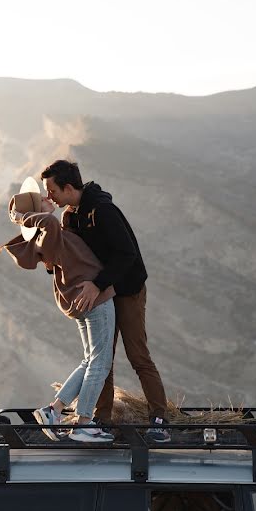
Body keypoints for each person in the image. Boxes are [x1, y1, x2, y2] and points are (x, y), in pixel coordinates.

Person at [40, 160, 170, 442]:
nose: (48, 195)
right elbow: (64, 257)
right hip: (102, 294)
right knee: (103, 358)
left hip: (127, 289)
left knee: (138, 356)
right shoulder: (69, 217)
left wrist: (98, 284)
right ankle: (102, 418)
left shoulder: (103, 210)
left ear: (68, 187)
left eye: (52, 190)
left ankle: (159, 418)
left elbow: (127, 254)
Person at [0, 180, 115, 443]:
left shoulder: (44, 235)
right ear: (35, 212)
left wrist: (26, 218)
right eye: (42, 199)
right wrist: (21, 218)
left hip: (81, 302)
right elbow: (49, 222)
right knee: (100, 363)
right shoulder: (47, 229)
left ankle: (54, 411)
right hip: (94, 301)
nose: (47, 198)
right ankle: (84, 423)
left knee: (89, 361)